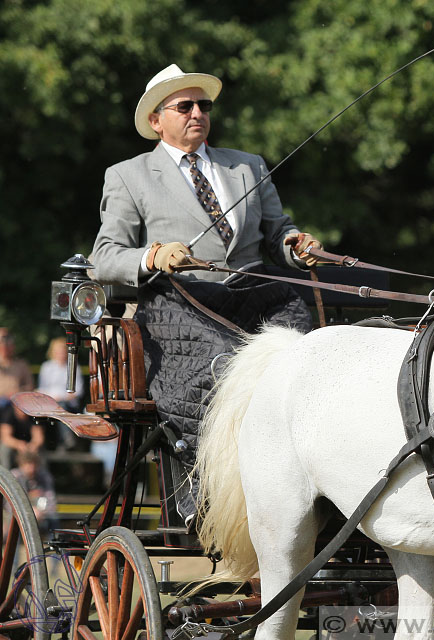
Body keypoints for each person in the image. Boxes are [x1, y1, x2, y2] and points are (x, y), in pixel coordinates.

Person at [89, 64, 322, 529]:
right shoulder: (129, 176)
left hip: (250, 293)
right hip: (176, 302)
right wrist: (153, 255)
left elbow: (277, 232)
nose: (197, 113)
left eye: (204, 106)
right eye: (185, 106)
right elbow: (103, 257)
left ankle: (311, 472)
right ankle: (206, 479)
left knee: (308, 354)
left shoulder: (248, 165)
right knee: (221, 365)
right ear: (157, 120)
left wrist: (296, 247)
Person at [11, 450, 58, 533]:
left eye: (34, 465)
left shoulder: (44, 476)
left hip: (42, 513)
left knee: (53, 519)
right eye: (28, 465)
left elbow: (51, 501)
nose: (32, 469)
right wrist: (30, 509)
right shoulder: (14, 477)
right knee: (14, 523)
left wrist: (42, 512)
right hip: (18, 513)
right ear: (21, 465)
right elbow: (10, 504)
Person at [0, 403, 44, 470]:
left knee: (40, 450)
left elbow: (39, 437)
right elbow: (5, 438)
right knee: (5, 449)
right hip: (15, 445)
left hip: (29, 444)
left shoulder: (34, 415)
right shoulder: (8, 413)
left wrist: (33, 445)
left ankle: (41, 474)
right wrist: (18, 444)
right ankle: (6, 473)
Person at [0, 328, 34, 410]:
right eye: (2, 342)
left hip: (17, 403)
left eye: (8, 342)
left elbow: (30, 386)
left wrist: (17, 392)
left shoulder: (22, 364)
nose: (5, 346)